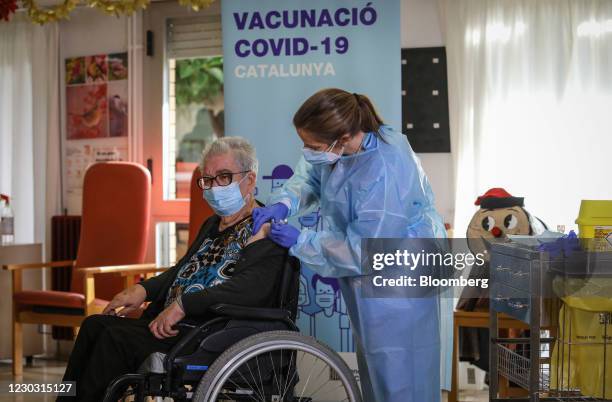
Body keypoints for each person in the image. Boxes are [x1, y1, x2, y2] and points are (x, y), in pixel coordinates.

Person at [252, 88, 447, 402]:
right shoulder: (340, 151)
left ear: (341, 137)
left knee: (399, 369)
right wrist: (284, 204)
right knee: (375, 362)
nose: (306, 151)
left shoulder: (385, 167)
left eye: (312, 145)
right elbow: (310, 177)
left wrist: (301, 240)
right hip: (369, 276)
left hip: (398, 276)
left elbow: (365, 249)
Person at [58, 137, 287, 402]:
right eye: (208, 180)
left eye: (224, 177)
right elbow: (182, 270)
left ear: (250, 179)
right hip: (174, 323)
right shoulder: (213, 225)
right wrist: (142, 289)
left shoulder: (264, 229)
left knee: (114, 339)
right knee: (93, 325)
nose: (214, 187)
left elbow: (250, 290)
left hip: (208, 330)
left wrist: (183, 305)